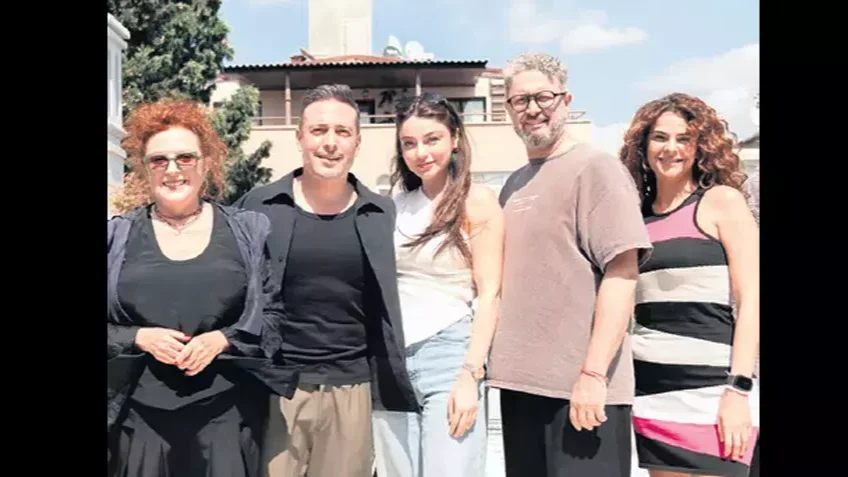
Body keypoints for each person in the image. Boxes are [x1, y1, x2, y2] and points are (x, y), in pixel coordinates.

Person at [233, 84, 419, 477]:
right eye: (319, 131)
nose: (330, 143)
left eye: (342, 132)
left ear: (357, 142)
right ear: (300, 136)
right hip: (275, 390)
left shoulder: (382, 214)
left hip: (352, 391)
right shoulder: (258, 208)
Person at [106, 99, 299, 477]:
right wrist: (139, 337)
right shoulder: (116, 238)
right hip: (139, 420)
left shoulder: (246, 231)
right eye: (159, 160)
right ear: (144, 168)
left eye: (185, 158)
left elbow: (274, 319)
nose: (172, 169)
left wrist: (222, 340)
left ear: (206, 162)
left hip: (226, 416)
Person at [487, 52, 653, 477]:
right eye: (520, 100)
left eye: (543, 97)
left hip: (581, 390)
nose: (532, 109)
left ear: (566, 100)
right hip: (521, 387)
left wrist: (593, 374)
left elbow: (622, 274)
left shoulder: (596, 169)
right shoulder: (514, 184)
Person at [619, 92, 760, 477]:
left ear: (701, 147)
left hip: (714, 392)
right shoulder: (634, 218)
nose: (671, 148)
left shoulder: (722, 202)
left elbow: (752, 301)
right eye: (660, 137)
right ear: (643, 145)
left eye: (684, 138)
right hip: (651, 393)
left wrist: (739, 389)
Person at [371, 93, 504, 477]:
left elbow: (490, 293)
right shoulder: (393, 205)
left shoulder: (477, 201)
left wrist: (470, 374)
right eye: (409, 143)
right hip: (391, 361)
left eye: (432, 139)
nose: (421, 152)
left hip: (449, 356)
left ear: (455, 138)